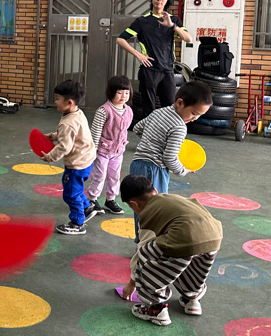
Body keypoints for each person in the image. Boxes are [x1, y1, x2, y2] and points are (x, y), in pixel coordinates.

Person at [118, 174, 223, 326]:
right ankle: (192, 300)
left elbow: (142, 250)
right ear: (155, 190)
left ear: (134, 204)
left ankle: (156, 309)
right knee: (187, 261)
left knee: (145, 254)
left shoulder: (148, 214)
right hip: (213, 238)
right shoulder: (173, 199)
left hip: (184, 240)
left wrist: (132, 283)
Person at [128, 80, 213, 240]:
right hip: (154, 170)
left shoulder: (158, 112)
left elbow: (138, 128)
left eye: (199, 115)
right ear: (180, 103)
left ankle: (141, 241)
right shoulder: (179, 127)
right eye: (194, 113)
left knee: (141, 208)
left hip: (137, 164)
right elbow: (169, 157)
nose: (195, 118)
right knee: (156, 209)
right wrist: (182, 170)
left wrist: (151, 141)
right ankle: (147, 245)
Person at [115, 0, 193, 116]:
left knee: (170, 108)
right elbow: (120, 39)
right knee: (148, 109)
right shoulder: (142, 21)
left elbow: (188, 39)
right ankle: (149, 129)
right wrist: (138, 55)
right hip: (149, 69)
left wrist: (172, 26)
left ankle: (167, 129)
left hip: (168, 69)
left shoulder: (173, 20)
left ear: (167, 0)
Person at [40, 79, 96, 236]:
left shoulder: (67, 123)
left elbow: (65, 146)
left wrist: (50, 157)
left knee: (71, 193)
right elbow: (72, 136)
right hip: (87, 159)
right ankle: (87, 207)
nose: (55, 101)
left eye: (57, 98)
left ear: (69, 102)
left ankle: (78, 223)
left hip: (76, 165)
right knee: (77, 187)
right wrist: (54, 136)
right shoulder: (77, 113)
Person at [85, 75, 133, 219]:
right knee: (99, 176)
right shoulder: (103, 111)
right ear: (111, 92)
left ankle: (110, 199)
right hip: (103, 151)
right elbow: (95, 131)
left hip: (118, 151)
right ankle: (92, 199)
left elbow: (125, 129)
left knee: (114, 176)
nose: (123, 96)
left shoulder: (129, 111)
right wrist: (93, 150)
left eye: (126, 92)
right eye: (120, 92)